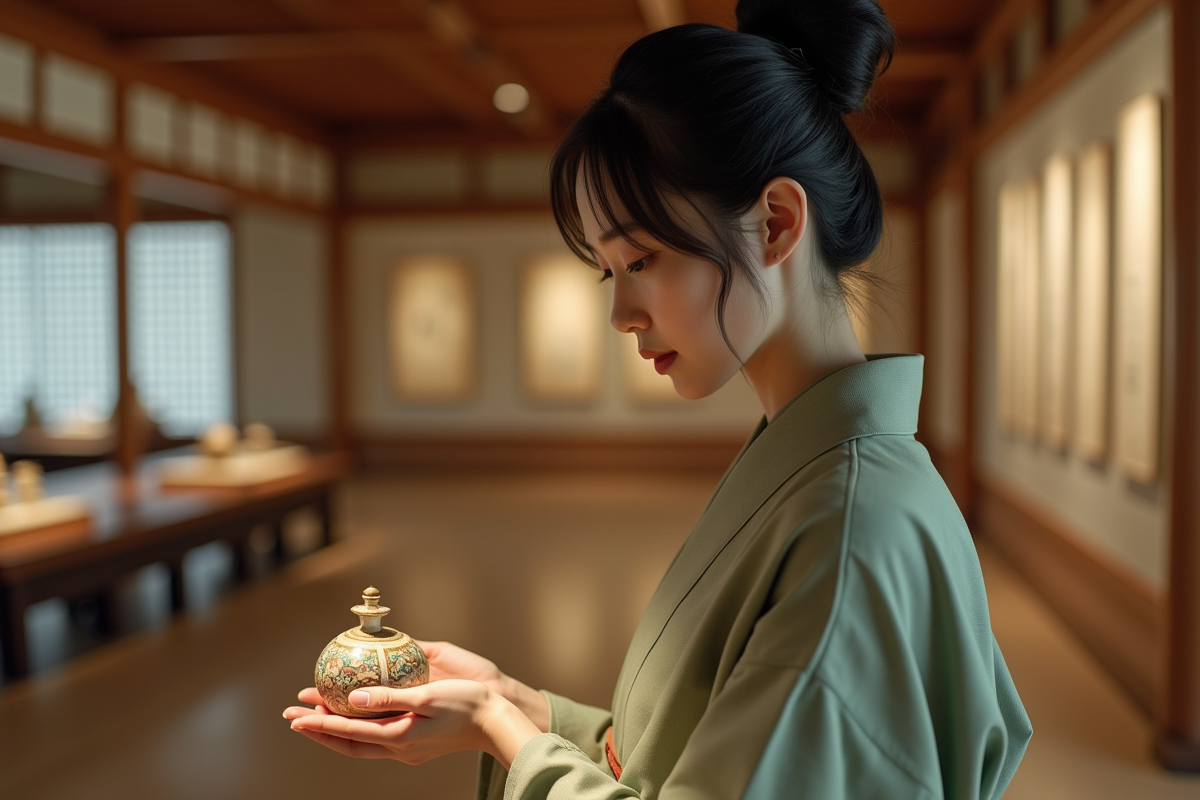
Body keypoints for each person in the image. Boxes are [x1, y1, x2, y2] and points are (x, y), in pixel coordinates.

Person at [283, 0, 1033, 796]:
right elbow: (685, 751)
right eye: (610, 271)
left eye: (642, 258)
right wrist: (520, 704)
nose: (619, 314)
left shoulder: (851, 527)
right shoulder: (812, 471)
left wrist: (503, 735)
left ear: (775, 223)